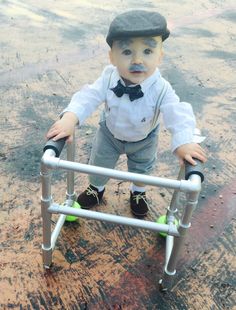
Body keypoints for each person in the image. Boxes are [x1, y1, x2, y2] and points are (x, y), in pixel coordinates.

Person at [46, 10, 207, 218]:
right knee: (99, 163)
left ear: (160, 56)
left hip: (144, 139)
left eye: (148, 51)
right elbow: (89, 96)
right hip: (109, 134)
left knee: (142, 169)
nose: (138, 60)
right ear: (112, 56)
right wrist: (70, 117)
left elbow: (178, 113)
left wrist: (183, 141)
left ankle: (138, 193)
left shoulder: (161, 88)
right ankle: (96, 188)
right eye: (127, 52)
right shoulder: (108, 77)